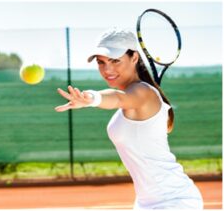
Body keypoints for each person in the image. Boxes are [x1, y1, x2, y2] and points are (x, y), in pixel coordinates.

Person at [54, 28, 203, 209]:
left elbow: (117, 98)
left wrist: (91, 98)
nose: (107, 69)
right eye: (101, 62)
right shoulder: (139, 94)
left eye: (115, 60)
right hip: (146, 202)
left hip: (174, 201)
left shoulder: (143, 92)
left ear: (134, 58)